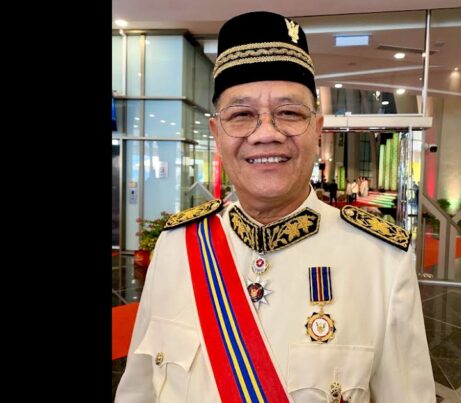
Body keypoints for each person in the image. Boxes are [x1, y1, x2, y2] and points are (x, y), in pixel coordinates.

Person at [115, 10, 434, 403]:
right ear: (217, 133)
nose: (266, 133)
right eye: (241, 115)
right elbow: (138, 391)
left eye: (289, 113)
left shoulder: (381, 261)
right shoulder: (177, 245)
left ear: (317, 129)